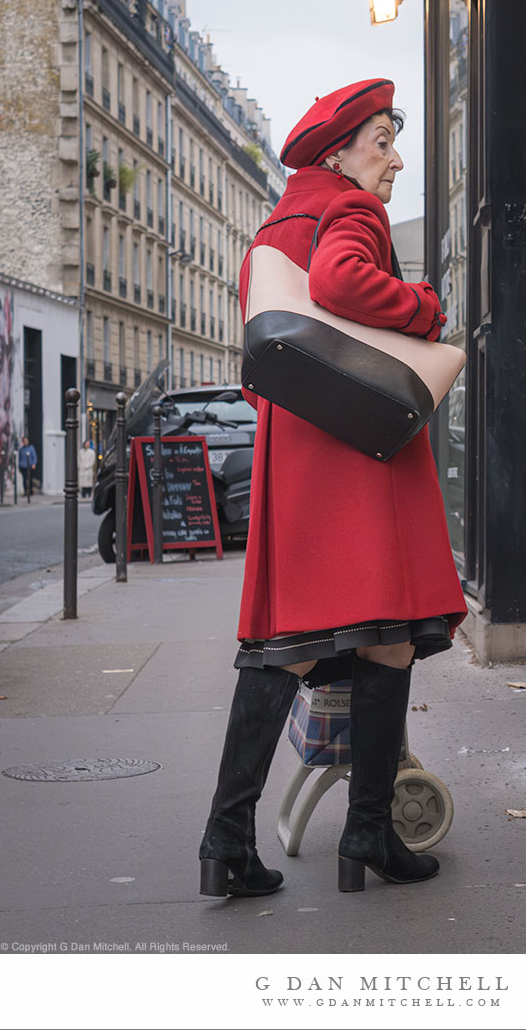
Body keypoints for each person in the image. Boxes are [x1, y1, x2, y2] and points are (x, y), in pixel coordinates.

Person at [198, 79, 465, 899]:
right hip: (360, 450)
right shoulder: (352, 210)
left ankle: (231, 842)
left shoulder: (280, 222)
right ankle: (368, 833)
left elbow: (261, 344)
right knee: (385, 630)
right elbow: (347, 284)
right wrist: (425, 307)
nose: (393, 157)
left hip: (304, 445)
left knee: (301, 639)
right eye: (380, 140)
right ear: (338, 152)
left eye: (390, 137)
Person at [17, 436, 38, 501]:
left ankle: (30, 491)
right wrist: (20, 465)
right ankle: (26, 491)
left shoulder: (31, 448)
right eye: (24, 441)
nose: (25, 442)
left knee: (30, 479)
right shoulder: (21, 449)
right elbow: (20, 458)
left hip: (29, 466)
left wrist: (34, 464)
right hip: (23, 466)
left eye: (26, 441)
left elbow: (34, 456)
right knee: (24, 479)